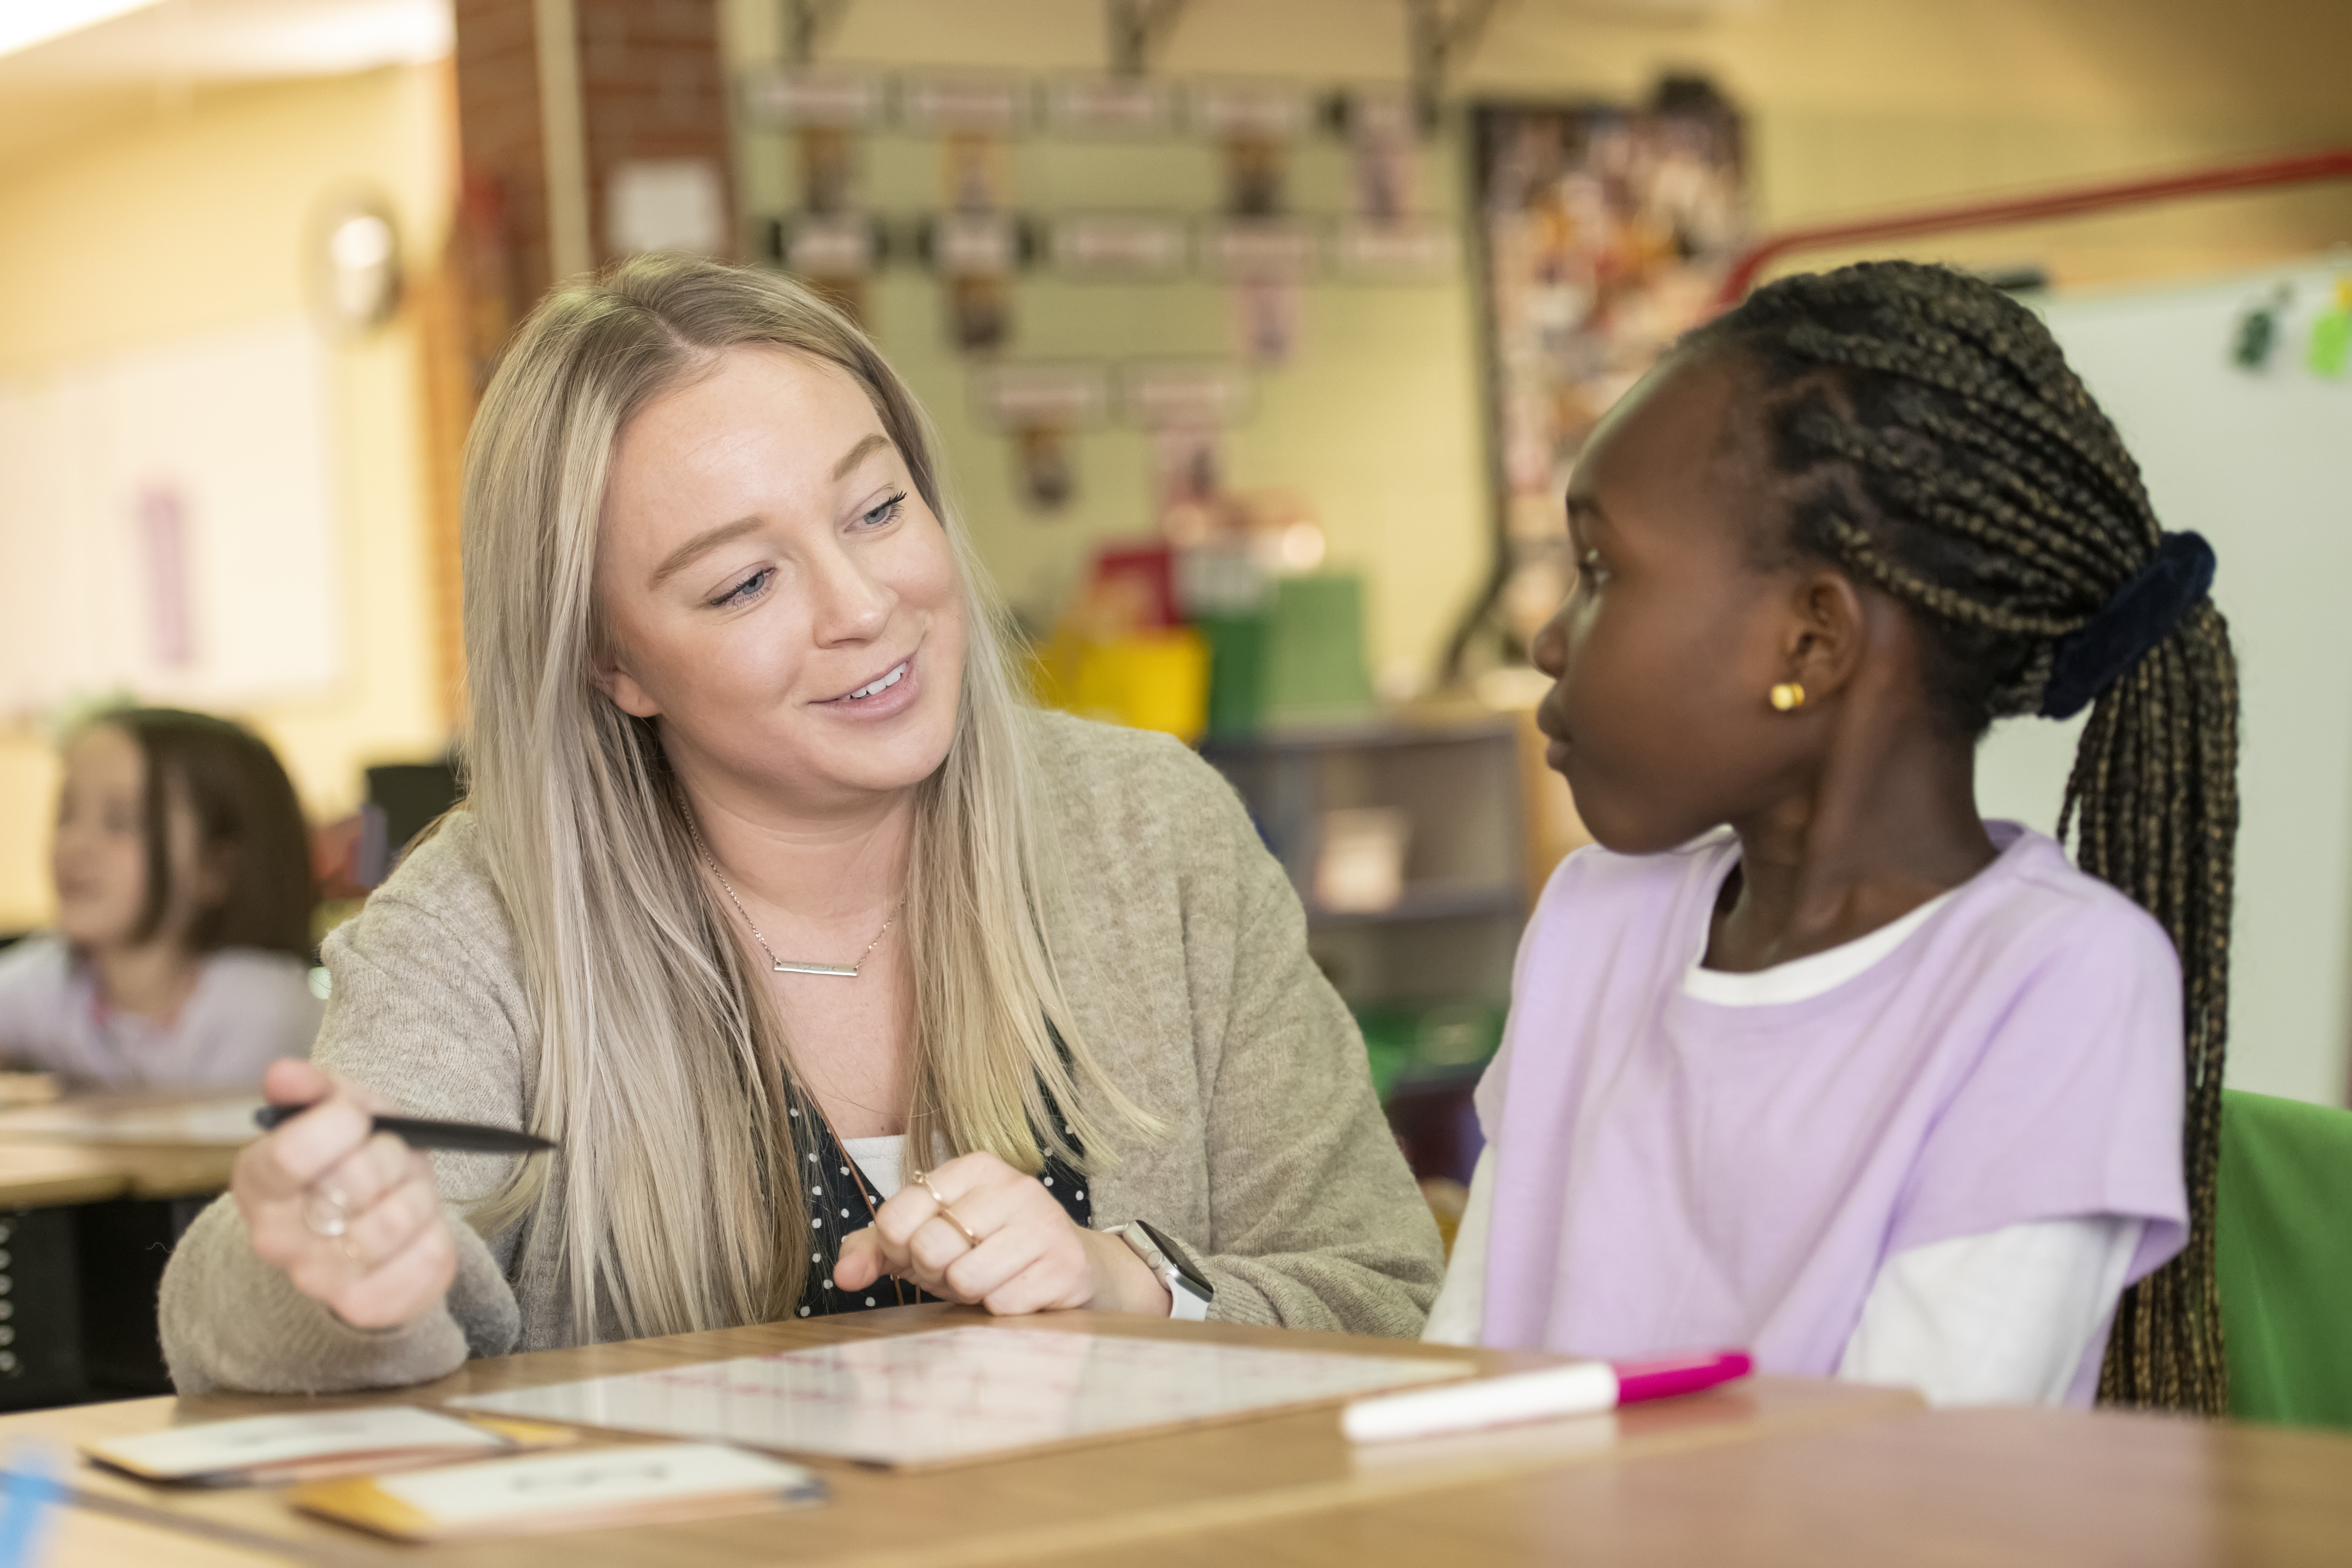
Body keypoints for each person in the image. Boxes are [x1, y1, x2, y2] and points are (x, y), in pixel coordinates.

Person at [158, 256, 1441, 1393]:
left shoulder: (1152, 836)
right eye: (744, 581)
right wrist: (326, 1270)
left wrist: (1132, 1284)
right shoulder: (481, 922)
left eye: (877, 509)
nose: (862, 604)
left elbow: (1392, 1295)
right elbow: (239, 1321)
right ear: (616, 666)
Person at [1426, 260, 2234, 1416]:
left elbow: (1894, 1486)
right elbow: (1466, 1365)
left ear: (1809, 644)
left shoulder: (2057, 981)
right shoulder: (1594, 921)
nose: (1551, 639)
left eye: (1600, 570)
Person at [0, 708, 322, 1090]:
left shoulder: (261, 1007)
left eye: (119, 822)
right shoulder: (54, 978)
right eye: (67, 815)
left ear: (215, 868)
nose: (76, 845)